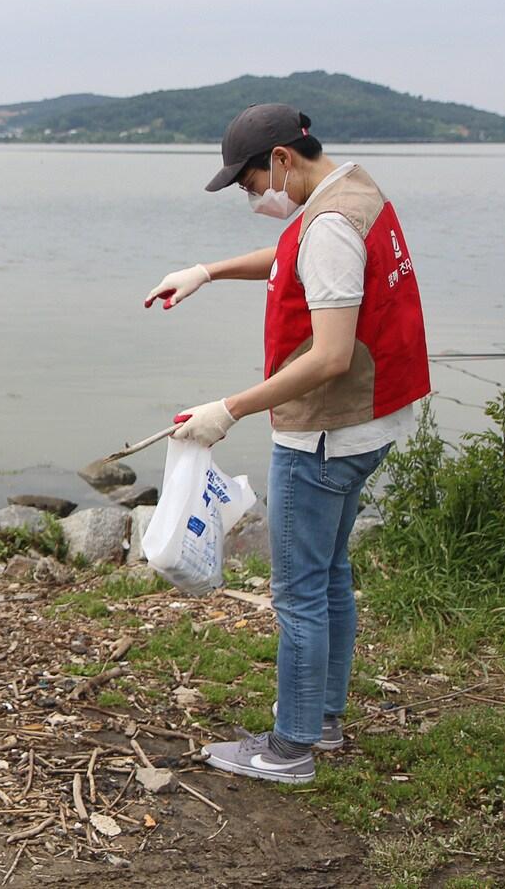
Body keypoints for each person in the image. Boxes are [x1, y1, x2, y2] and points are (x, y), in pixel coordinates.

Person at [144, 104, 428, 783]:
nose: (253, 199)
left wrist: (229, 409)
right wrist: (208, 271)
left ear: (281, 159)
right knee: (330, 576)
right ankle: (322, 719)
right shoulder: (351, 190)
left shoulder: (328, 221)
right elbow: (295, 254)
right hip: (372, 420)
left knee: (298, 591)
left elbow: (330, 355)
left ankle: (291, 745)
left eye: (249, 184)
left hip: (326, 431)